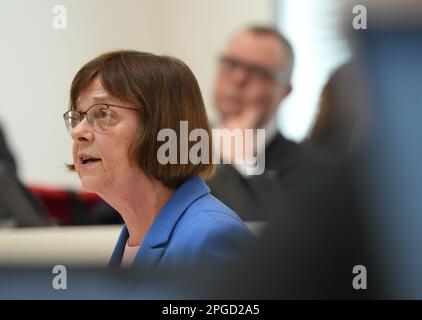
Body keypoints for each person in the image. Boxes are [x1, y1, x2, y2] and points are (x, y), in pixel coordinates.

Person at [64, 50, 254, 268]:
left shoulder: (213, 238)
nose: (77, 131)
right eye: (77, 117)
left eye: (103, 114)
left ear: (161, 128)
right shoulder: (133, 238)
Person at [207, 25, 329, 221]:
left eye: (257, 72)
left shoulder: (311, 171)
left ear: (285, 90)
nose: (238, 78)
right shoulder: (180, 149)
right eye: (231, 64)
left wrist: (240, 163)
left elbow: (272, 243)